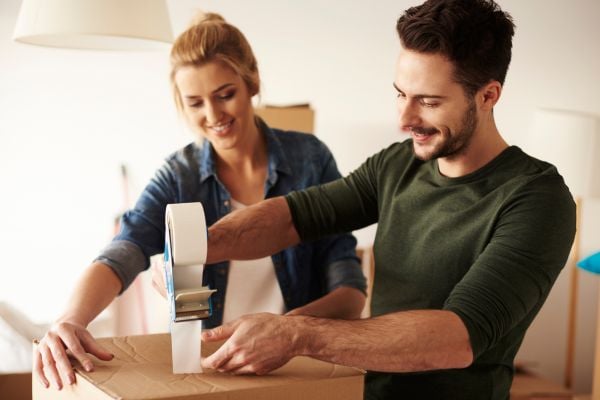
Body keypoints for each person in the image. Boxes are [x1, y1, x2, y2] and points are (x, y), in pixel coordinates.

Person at [192, 1, 576, 399]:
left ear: (488, 95)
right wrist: (202, 246)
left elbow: (457, 337)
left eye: (428, 101)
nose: (404, 119)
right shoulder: (397, 164)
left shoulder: (536, 199)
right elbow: (295, 217)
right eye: (400, 94)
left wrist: (295, 334)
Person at [33, 13, 366, 391]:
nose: (213, 116)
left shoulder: (310, 159)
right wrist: (71, 319)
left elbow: (350, 292)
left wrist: (288, 331)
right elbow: (123, 251)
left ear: (252, 81)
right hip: (209, 375)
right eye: (195, 103)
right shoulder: (179, 175)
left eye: (226, 95)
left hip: (295, 372)